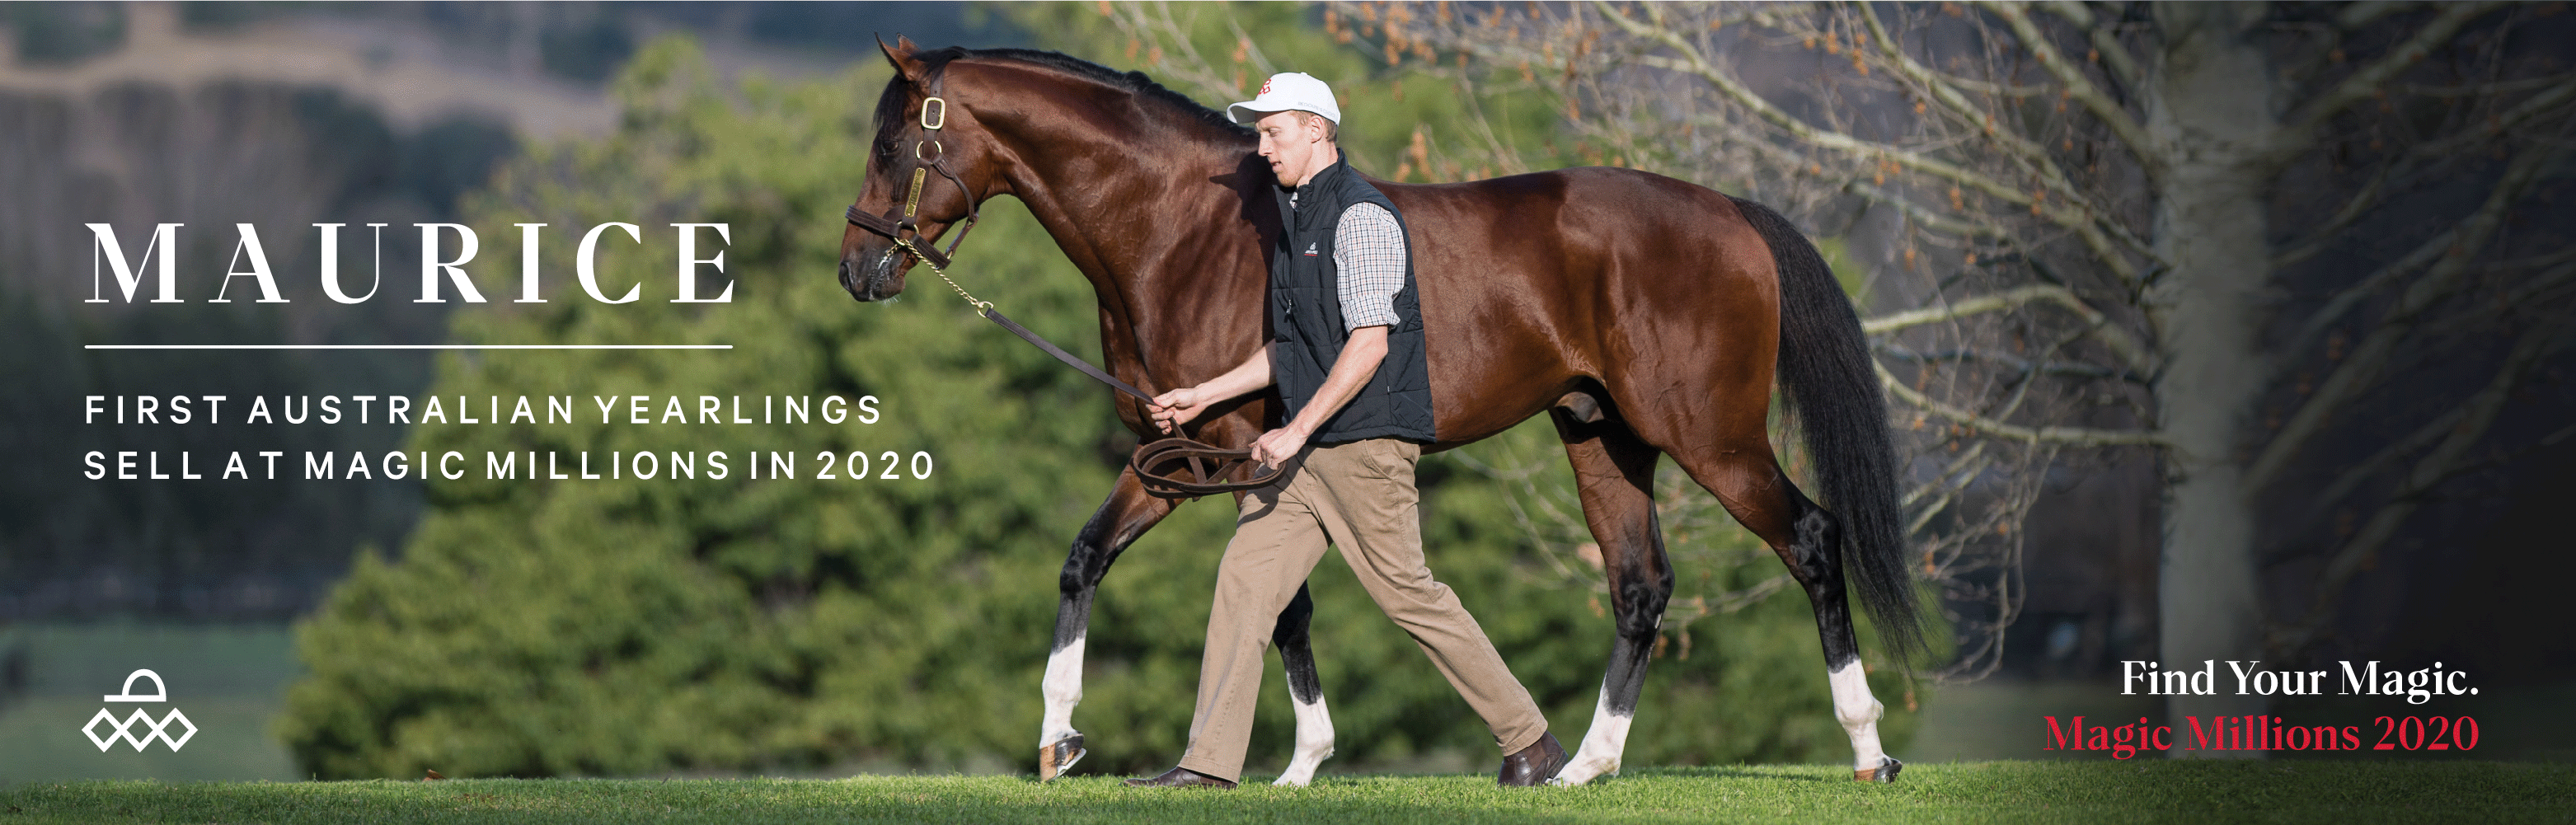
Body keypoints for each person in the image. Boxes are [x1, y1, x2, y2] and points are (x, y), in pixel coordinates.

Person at [1124, 72, 1567, 790]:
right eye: (1259, 134)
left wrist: (1293, 429)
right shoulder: (1296, 220)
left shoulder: (1361, 218)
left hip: (1363, 447)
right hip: (1305, 453)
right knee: (1243, 582)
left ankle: (1532, 743)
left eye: (1273, 132)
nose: (1262, 148)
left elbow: (1367, 345)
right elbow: (1293, 347)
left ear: (1316, 130)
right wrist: (1203, 393)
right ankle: (1207, 766)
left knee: (1408, 595)